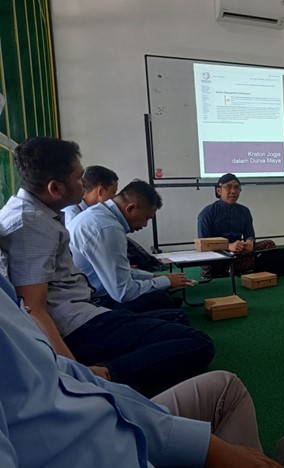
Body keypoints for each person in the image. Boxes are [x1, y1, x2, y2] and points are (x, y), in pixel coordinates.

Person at [0, 270, 284, 467]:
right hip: (108, 443)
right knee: (194, 339)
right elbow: (121, 289)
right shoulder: (52, 225)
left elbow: (64, 375)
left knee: (225, 386)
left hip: (101, 418)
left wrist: (207, 447)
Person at [0, 136, 215, 392]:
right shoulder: (32, 225)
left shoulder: (35, 214)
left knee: (174, 321)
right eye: (79, 178)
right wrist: (74, 373)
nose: (85, 184)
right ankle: (106, 377)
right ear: (55, 188)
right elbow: (33, 308)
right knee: (198, 343)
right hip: (78, 325)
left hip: (84, 310)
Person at [67, 179, 193, 312]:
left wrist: (154, 277)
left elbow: (118, 271)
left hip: (87, 292)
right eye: (146, 218)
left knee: (159, 293)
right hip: (92, 301)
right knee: (160, 298)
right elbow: (124, 293)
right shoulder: (108, 228)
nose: (145, 225)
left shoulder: (98, 215)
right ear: (131, 208)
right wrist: (165, 282)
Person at [197, 173, 276, 277]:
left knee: (269, 245)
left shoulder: (244, 211)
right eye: (228, 187)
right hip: (217, 254)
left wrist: (249, 242)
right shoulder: (207, 213)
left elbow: (250, 235)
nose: (233, 191)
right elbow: (203, 244)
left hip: (238, 253)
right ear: (219, 190)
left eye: (237, 187)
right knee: (207, 262)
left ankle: (229, 269)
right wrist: (228, 246)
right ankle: (235, 268)